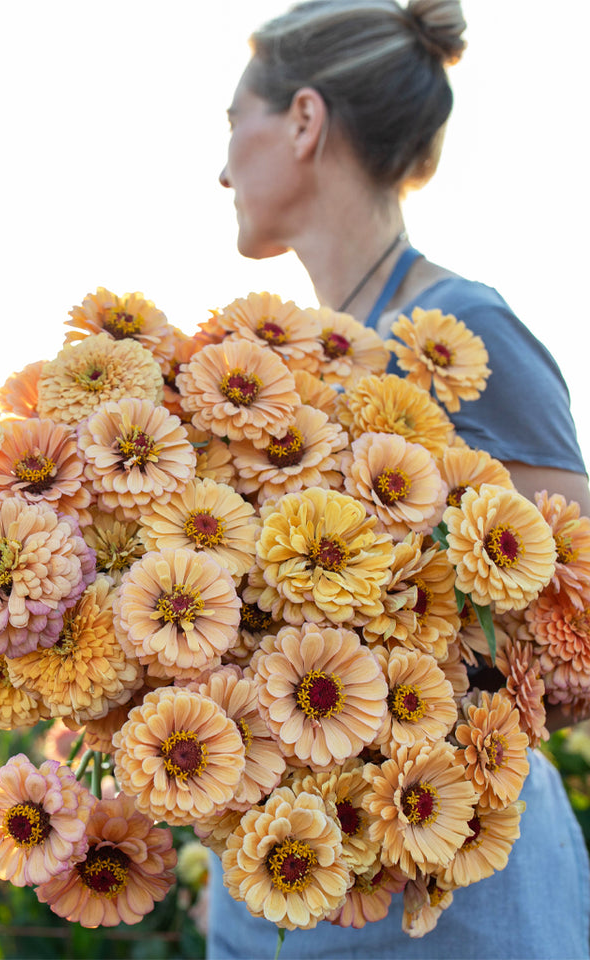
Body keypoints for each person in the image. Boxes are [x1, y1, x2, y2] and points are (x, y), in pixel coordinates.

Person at [209, 1, 590, 957]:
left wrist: (407, 663)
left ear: (302, 121)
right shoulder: (270, 369)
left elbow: (579, 608)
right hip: (280, 879)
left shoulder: (467, 329)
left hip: (451, 879)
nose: (220, 169)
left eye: (231, 124)